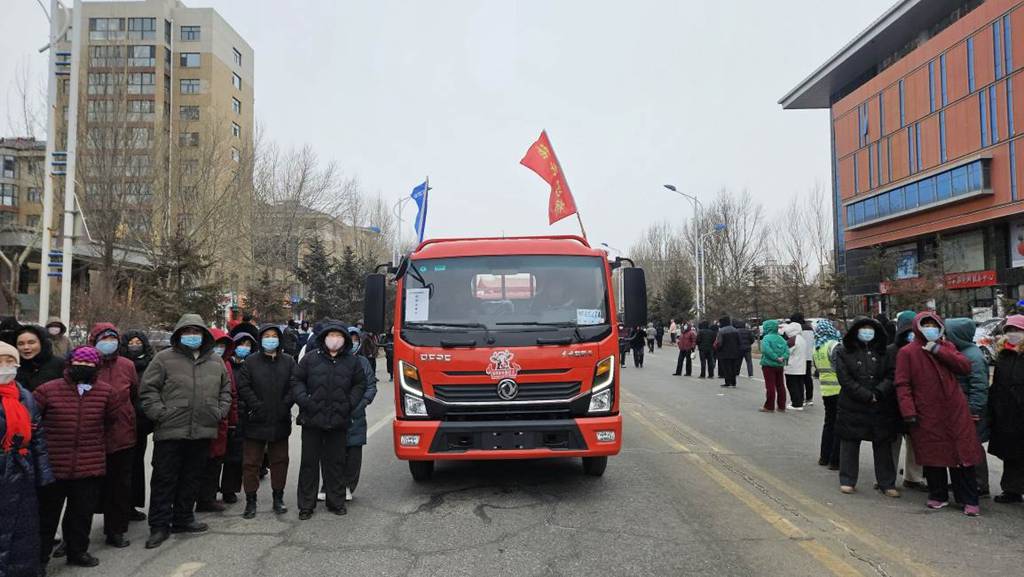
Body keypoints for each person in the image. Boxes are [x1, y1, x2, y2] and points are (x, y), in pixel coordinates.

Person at [140, 314, 232, 548]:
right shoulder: (164, 358)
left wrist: (219, 411)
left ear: (204, 335)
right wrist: (160, 413)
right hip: (171, 431)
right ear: (179, 334)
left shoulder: (215, 361)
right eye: (188, 332)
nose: (192, 336)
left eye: (197, 332)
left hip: (202, 431)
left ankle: (183, 518)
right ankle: (159, 526)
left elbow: (225, 390)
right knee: (164, 479)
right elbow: (148, 390)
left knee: (191, 478)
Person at [895, 312, 983, 516]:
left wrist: (937, 350)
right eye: (925, 325)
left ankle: (968, 498)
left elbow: (964, 367)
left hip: (955, 410)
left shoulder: (948, 347)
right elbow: (902, 384)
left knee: (962, 455)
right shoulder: (908, 352)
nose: (929, 329)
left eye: (933, 325)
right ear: (917, 328)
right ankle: (938, 495)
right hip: (927, 411)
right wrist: (908, 411)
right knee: (933, 454)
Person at [34, 346, 114, 569]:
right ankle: (39, 558)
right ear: (69, 363)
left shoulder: (106, 392)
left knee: (81, 514)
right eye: (80, 362)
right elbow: (33, 423)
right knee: (46, 516)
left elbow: (112, 422)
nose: (84, 367)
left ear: (97, 366)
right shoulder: (47, 390)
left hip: (89, 464)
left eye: (90, 364)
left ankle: (77, 551)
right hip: (53, 464)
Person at [291, 320, 367, 519]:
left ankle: (336, 501)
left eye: (339, 336)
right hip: (311, 420)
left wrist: (348, 404)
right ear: (324, 338)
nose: (335, 339)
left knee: (335, 463)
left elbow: (360, 385)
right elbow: (296, 380)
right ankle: (306, 504)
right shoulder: (309, 359)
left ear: (345, 339)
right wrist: (304, 401)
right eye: (331, 335)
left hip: (338, 420)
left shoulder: (352, 362)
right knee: (309, 463)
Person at [0, 340, 54, 577]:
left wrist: (43, 474)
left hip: (22, 473)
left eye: (9, 361)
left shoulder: (24, 396)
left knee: (22, 532)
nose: (5, 367)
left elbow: (37, 437)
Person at [834, 318, 900, 496]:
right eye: (863, 328)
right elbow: (844, 378)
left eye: (870, 329)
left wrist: (878, 393)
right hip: (852, 405)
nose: (867, 332)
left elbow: (891, 375)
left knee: (883, 445)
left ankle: (887, 483)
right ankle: (847, 480)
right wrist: (865, 394)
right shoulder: (843, 352)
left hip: (880, 405)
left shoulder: (885, 352)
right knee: (849, 443)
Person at [88, 324, 139, 549]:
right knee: (85, 491)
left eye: (112, 338)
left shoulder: (127, 365)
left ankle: (115, 530)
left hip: (122, 435)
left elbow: (135, 395)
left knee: (119, 486)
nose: (109, 342)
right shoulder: (86, 362)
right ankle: (75, 536)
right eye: (103, 338)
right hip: (91, 436)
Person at [237, 324, 295, 518]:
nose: (271, 339)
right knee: (251, 463)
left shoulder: (288, 361)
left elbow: (294, 385)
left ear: (279, 339)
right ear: (261, 339)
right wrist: (256, 406)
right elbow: (243, 386)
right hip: (255, 420)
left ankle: (278, 498)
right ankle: (250, 501)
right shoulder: (251, 362)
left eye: (274, 336)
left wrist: (284, 405)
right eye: (267, 336)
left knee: (280, 461)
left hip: (280, 420)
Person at [945, 318, 991, 497]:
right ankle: (968, 481)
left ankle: (979, 484)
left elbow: (979, 386)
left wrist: (974, 410)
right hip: (960, 409)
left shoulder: (973, 356)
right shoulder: (960, 352)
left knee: (973, 446)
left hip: (971, 411)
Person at [882, 311, 926, 491]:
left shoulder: (921, 349)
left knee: (903, 442)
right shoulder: (893, 351)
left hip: (904, 403)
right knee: (905, 442)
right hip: (900, 403)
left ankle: (893, 477)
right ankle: (909, 477)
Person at [196, 329, 239, 512]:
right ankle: (196, 497)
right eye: (216, 345)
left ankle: (208, 497)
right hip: (201, 421)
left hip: (221, 421)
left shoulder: (226, 365)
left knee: (216, 461)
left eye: (222, 346)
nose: (219, 350)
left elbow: (232, 394)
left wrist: (232, 420)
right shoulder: (200, 363)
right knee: (200, 461)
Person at [987, 314, 1024, 504]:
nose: (1013, 334)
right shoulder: (1004, 355)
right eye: (1009, 330)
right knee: (1011, 454)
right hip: (1006, 413)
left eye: (1017, 330)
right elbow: (997, 384)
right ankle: (1012, 489)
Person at [122, 329, 155, 520]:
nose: (135, 345)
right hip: (121, 423)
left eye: (138, 342)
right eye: (131, 342)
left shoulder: (151, 364)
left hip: (141, 422)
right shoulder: (121, 365)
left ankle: (132, 504)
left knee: (136, 466)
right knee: (121, 468)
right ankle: (118, 507)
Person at [221, 331, 255, 504]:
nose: (244, 348)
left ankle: (229, 489)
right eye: (242, 344)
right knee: (216, 455)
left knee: (236, 456)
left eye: (248, 345)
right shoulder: (225, 364)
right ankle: (208, 491)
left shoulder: (251, 365)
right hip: (224, 414)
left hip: (243, 415)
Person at [345, 326, 378, 502]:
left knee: (353, 453)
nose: (352, 343)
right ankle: (330, 485)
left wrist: (363, 402)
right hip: (337, 415)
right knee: (333, 453)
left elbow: (371, 386)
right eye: (349, 339)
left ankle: (349, 485)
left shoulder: (363, 362)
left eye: (355, 339)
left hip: (357, 415)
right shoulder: (336, 360)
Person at [812, 320, 842, 469]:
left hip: (826, 390)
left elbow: (817, 369)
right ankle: (835, 460)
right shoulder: (834, 346)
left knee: (829, 423)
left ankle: (824, 456)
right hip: (838, 389)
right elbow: (840, 368)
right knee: (839, 424)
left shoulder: (817, 347)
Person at [15, 325, 65, 392]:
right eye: (21, 344)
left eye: (31, 342)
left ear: (42, 343)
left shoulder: (60, 365)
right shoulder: (13, 367)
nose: (26, 347)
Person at [759, 320, 789, 413]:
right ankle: (781, 406)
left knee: (770, 385)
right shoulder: (782, 339)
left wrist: (775, 358)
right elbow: (787, 351)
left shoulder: (766, 338)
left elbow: (765, 350)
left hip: (768, 365)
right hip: (780, 365)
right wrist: (782, 358)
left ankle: (769, 406)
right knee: (780, 385)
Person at [791, 313, 816, 407]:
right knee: (808, 377)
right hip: (809, 356)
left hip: (799, 356)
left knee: (799, 379)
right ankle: (809, 398)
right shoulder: (810, 328)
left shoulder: (797, 329)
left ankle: (799, 399)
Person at [783, 321, 809, 410]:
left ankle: (796, 404)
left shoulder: (792, 340)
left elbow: (786, 352)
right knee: (800, 385)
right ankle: (800, 402)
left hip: (792, 367)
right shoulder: (802, 339)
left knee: (792, 385)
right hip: (801, 366)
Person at [714, 316, 741, 388]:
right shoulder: (735, 330)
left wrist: (717, 349)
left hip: (724, 352)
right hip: (735, 352)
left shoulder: (721, 331)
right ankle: (734, 382)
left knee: (726, 368)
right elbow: (739, 341)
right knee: (733, 367)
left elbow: (719, 342)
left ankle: (727, 382)